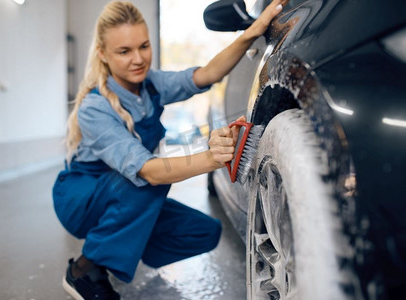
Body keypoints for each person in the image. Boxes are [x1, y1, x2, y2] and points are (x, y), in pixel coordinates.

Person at [52, 0, 288, 299]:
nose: (138, 59)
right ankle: (83, 270)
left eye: (144, 46)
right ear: (103, 54)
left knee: (204, 232)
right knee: (151, 181)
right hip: (82, 199)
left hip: (126, 194)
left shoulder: (150, 84)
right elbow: (149, 173)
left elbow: (207, 74)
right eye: (124, 51)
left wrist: (252, 31)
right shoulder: (95, 106)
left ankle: (120, 246)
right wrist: (213, 157)